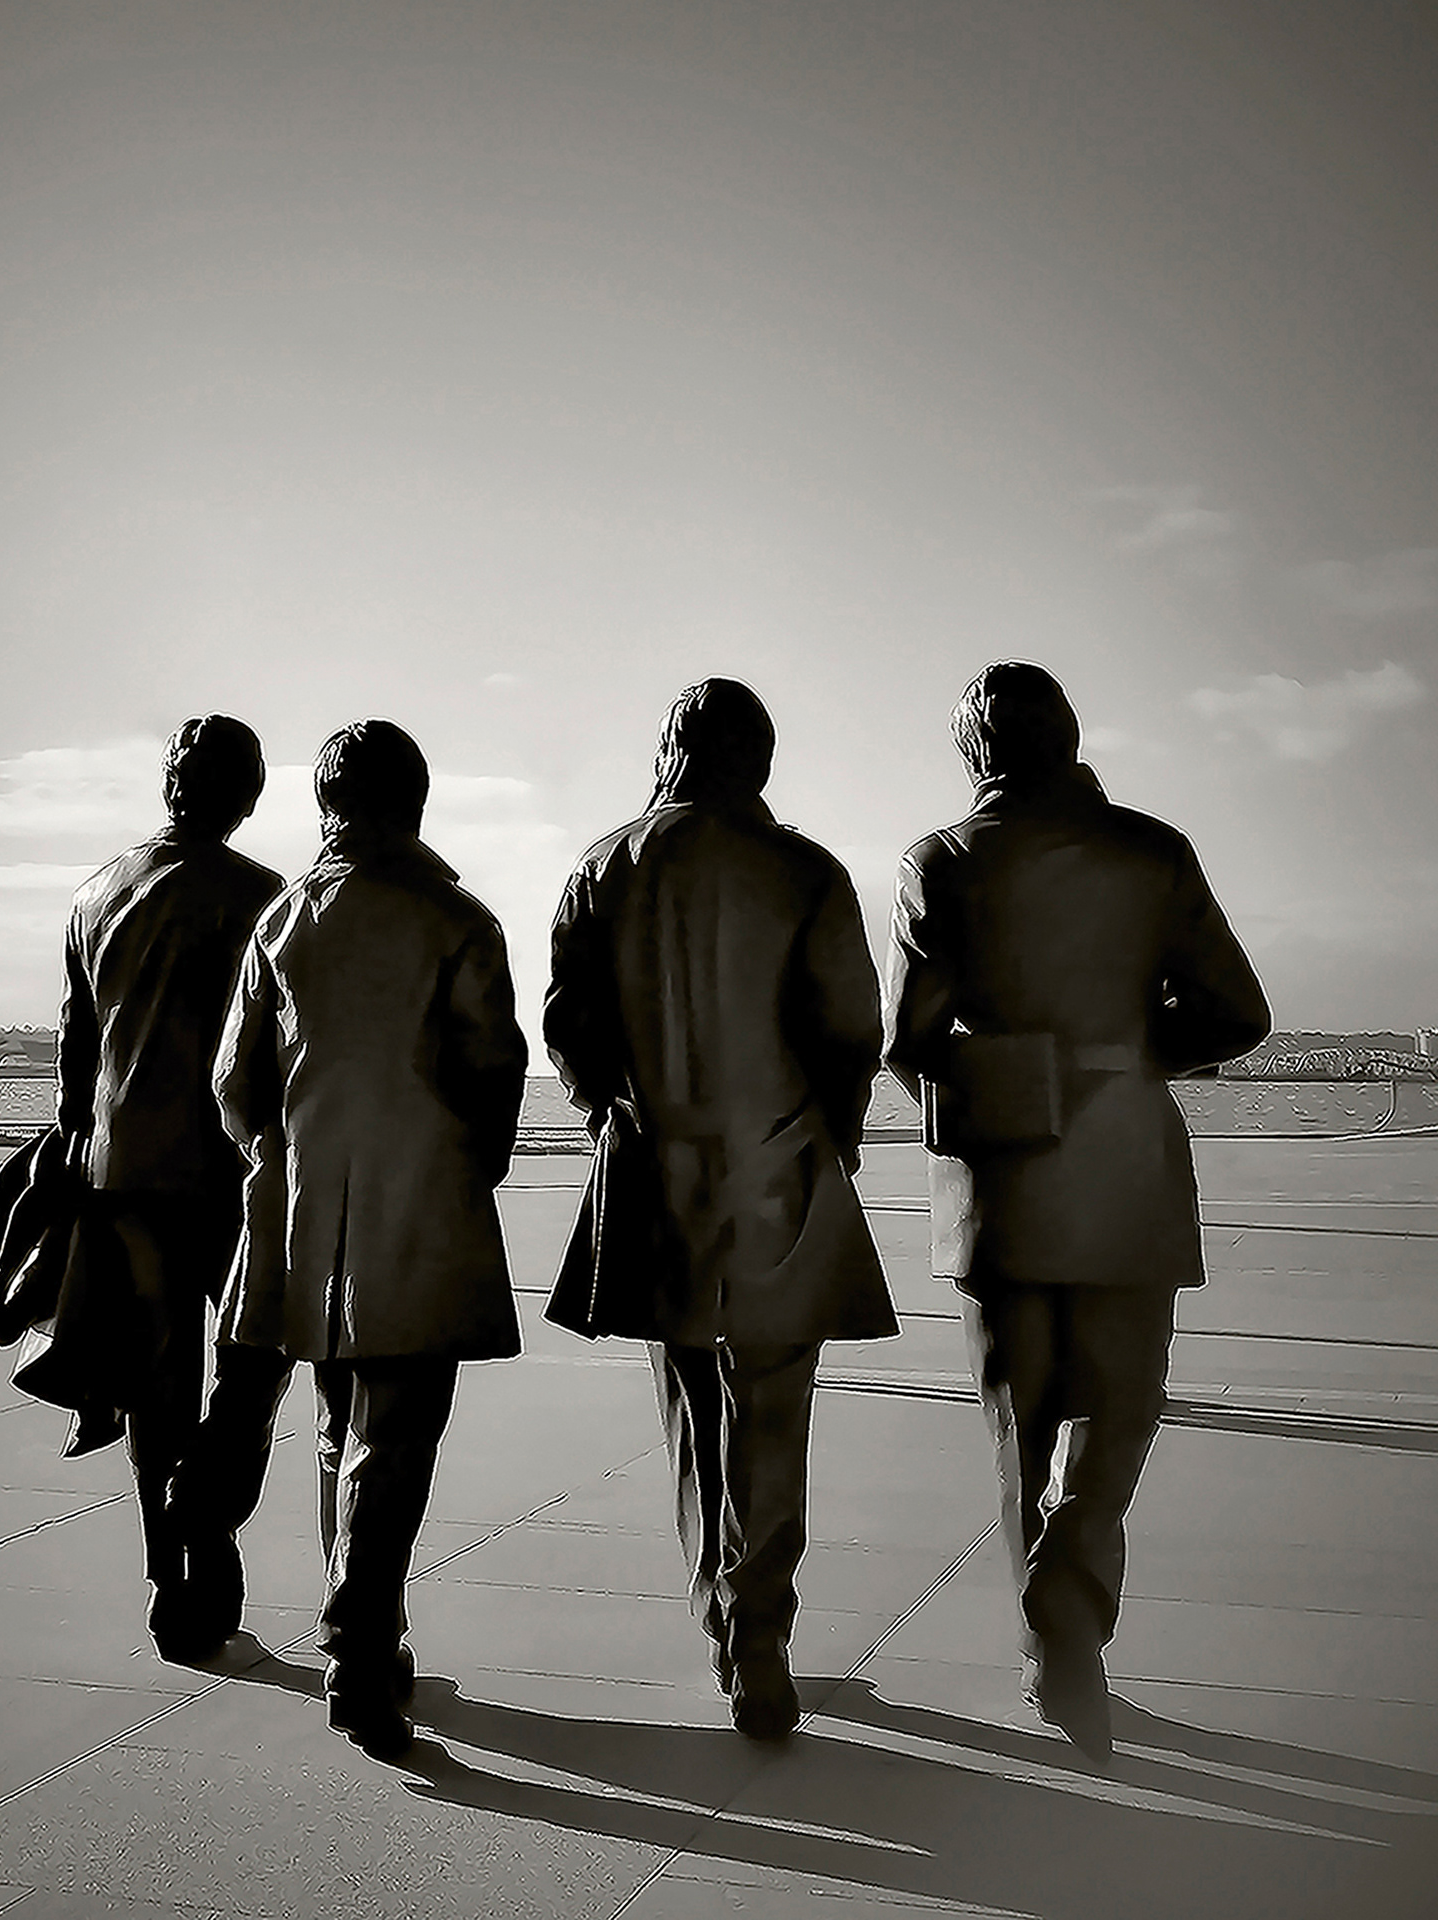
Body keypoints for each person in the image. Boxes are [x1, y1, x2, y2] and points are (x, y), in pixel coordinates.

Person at [883, 662, 1270, 1763]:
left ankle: (1056, 1644)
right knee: (1124, 1403)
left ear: (974, 754)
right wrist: (1121, 1057)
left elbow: (908, 1042)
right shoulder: (1154, 852)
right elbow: (1238, 1012)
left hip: (999, 1184)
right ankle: (1070, 1613)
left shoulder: (937, 864)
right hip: (1127, 1165)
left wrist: (1010, 1084)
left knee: (1022, 1422)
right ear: (1070, 737)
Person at [544, 678, 899, 1741]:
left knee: (695, 1408)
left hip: (657, 1169)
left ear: (668, 753)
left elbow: (569, 1026)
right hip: (782, 1167)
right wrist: (834, 1137)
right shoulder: (809, 871)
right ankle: (762, 1631)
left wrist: (614, 1109)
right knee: (775, 1413)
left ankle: (722, 1616)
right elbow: (851, 1031)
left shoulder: (602, 868)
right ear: (761, 756)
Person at [213, 719, 527, 1761]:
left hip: (307, 1218)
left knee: (335, 1431)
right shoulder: (457, 922)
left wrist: (286, 1159)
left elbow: (234, 1086)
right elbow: (492, 1080)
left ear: (325, 809)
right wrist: (463, 1167)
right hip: (416, 1212)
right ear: (418, 804)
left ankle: (369, 1637)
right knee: (394, 1438)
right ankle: (359, 1652)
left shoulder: (284, 921)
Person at [53, 715, 284, 1662]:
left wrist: (88, 1145)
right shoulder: (265, 899)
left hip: (121, 1173)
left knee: (157, 1384)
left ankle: (169, 1571)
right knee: (253, 1357)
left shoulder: (94, 894)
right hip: (228, 1171)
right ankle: (209, 1522)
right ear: (246, 796)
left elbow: (76, 1060)